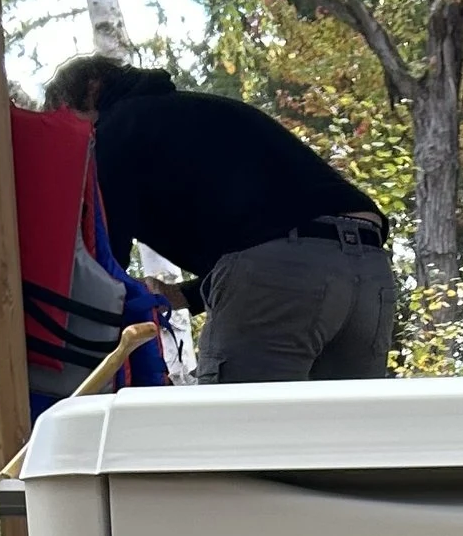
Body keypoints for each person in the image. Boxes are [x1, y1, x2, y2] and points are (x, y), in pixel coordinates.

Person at [44, 57, 397, 385]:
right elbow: (275, 228)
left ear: (91, 89)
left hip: (282, 275)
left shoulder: (115, 129)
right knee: (344, 439)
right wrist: (183, 295)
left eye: (65, 119)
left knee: (235, 435)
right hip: (368, 269)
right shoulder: (201, 114)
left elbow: (105, 256)